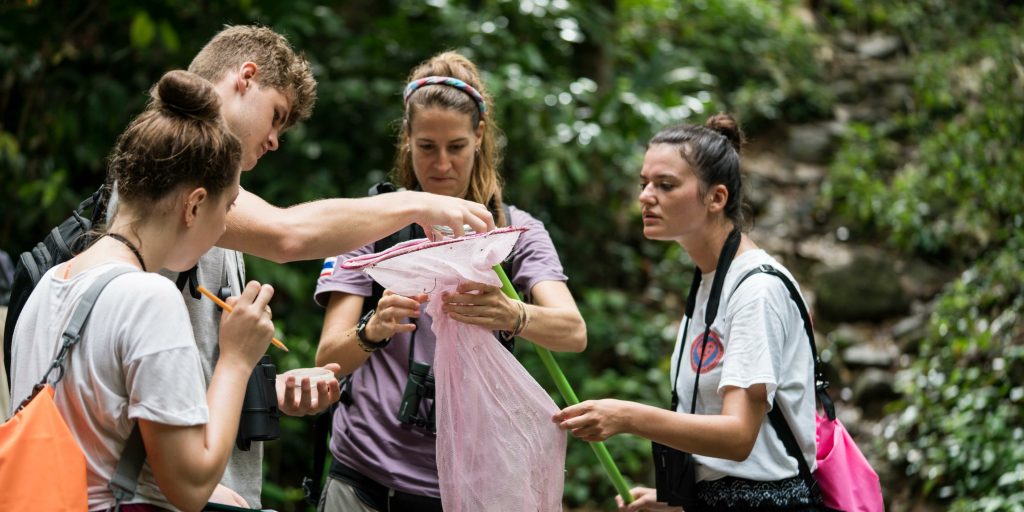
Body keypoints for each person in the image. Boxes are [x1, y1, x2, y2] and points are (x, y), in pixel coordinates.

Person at [102, 26, 498, 509]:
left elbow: (194, 360)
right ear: (246, 78)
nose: (273, 141)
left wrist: (273, 389)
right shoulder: (173, 167)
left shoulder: (216, 203)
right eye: (276, 117)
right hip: (158, 492)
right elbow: (288, 235)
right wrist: (418, 203)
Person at [313, 51, 587, 512]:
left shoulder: (515, 232)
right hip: (364, 477)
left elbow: (573, 332)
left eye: (456, 147)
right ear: (407, 138)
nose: (441, 165)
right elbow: (327, 359)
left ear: (479, 136)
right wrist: (372, 329)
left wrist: (513, 313)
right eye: (426, 146)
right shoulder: (367, 223)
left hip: (467, 485)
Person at [10, 70, 273, 512]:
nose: (225, 226)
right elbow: (188, 486)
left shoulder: (48, 286)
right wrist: (236, 358)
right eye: (225, 208)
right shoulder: (149, 298)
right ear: (193, 205)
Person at [552, 114, 823, 511]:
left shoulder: (756, 291)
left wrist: (626, 416)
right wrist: (678, 502)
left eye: (665, 185)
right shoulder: (710, 280)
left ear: (716, 198)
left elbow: (738, 436)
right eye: (644, 183)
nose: (646, 196)